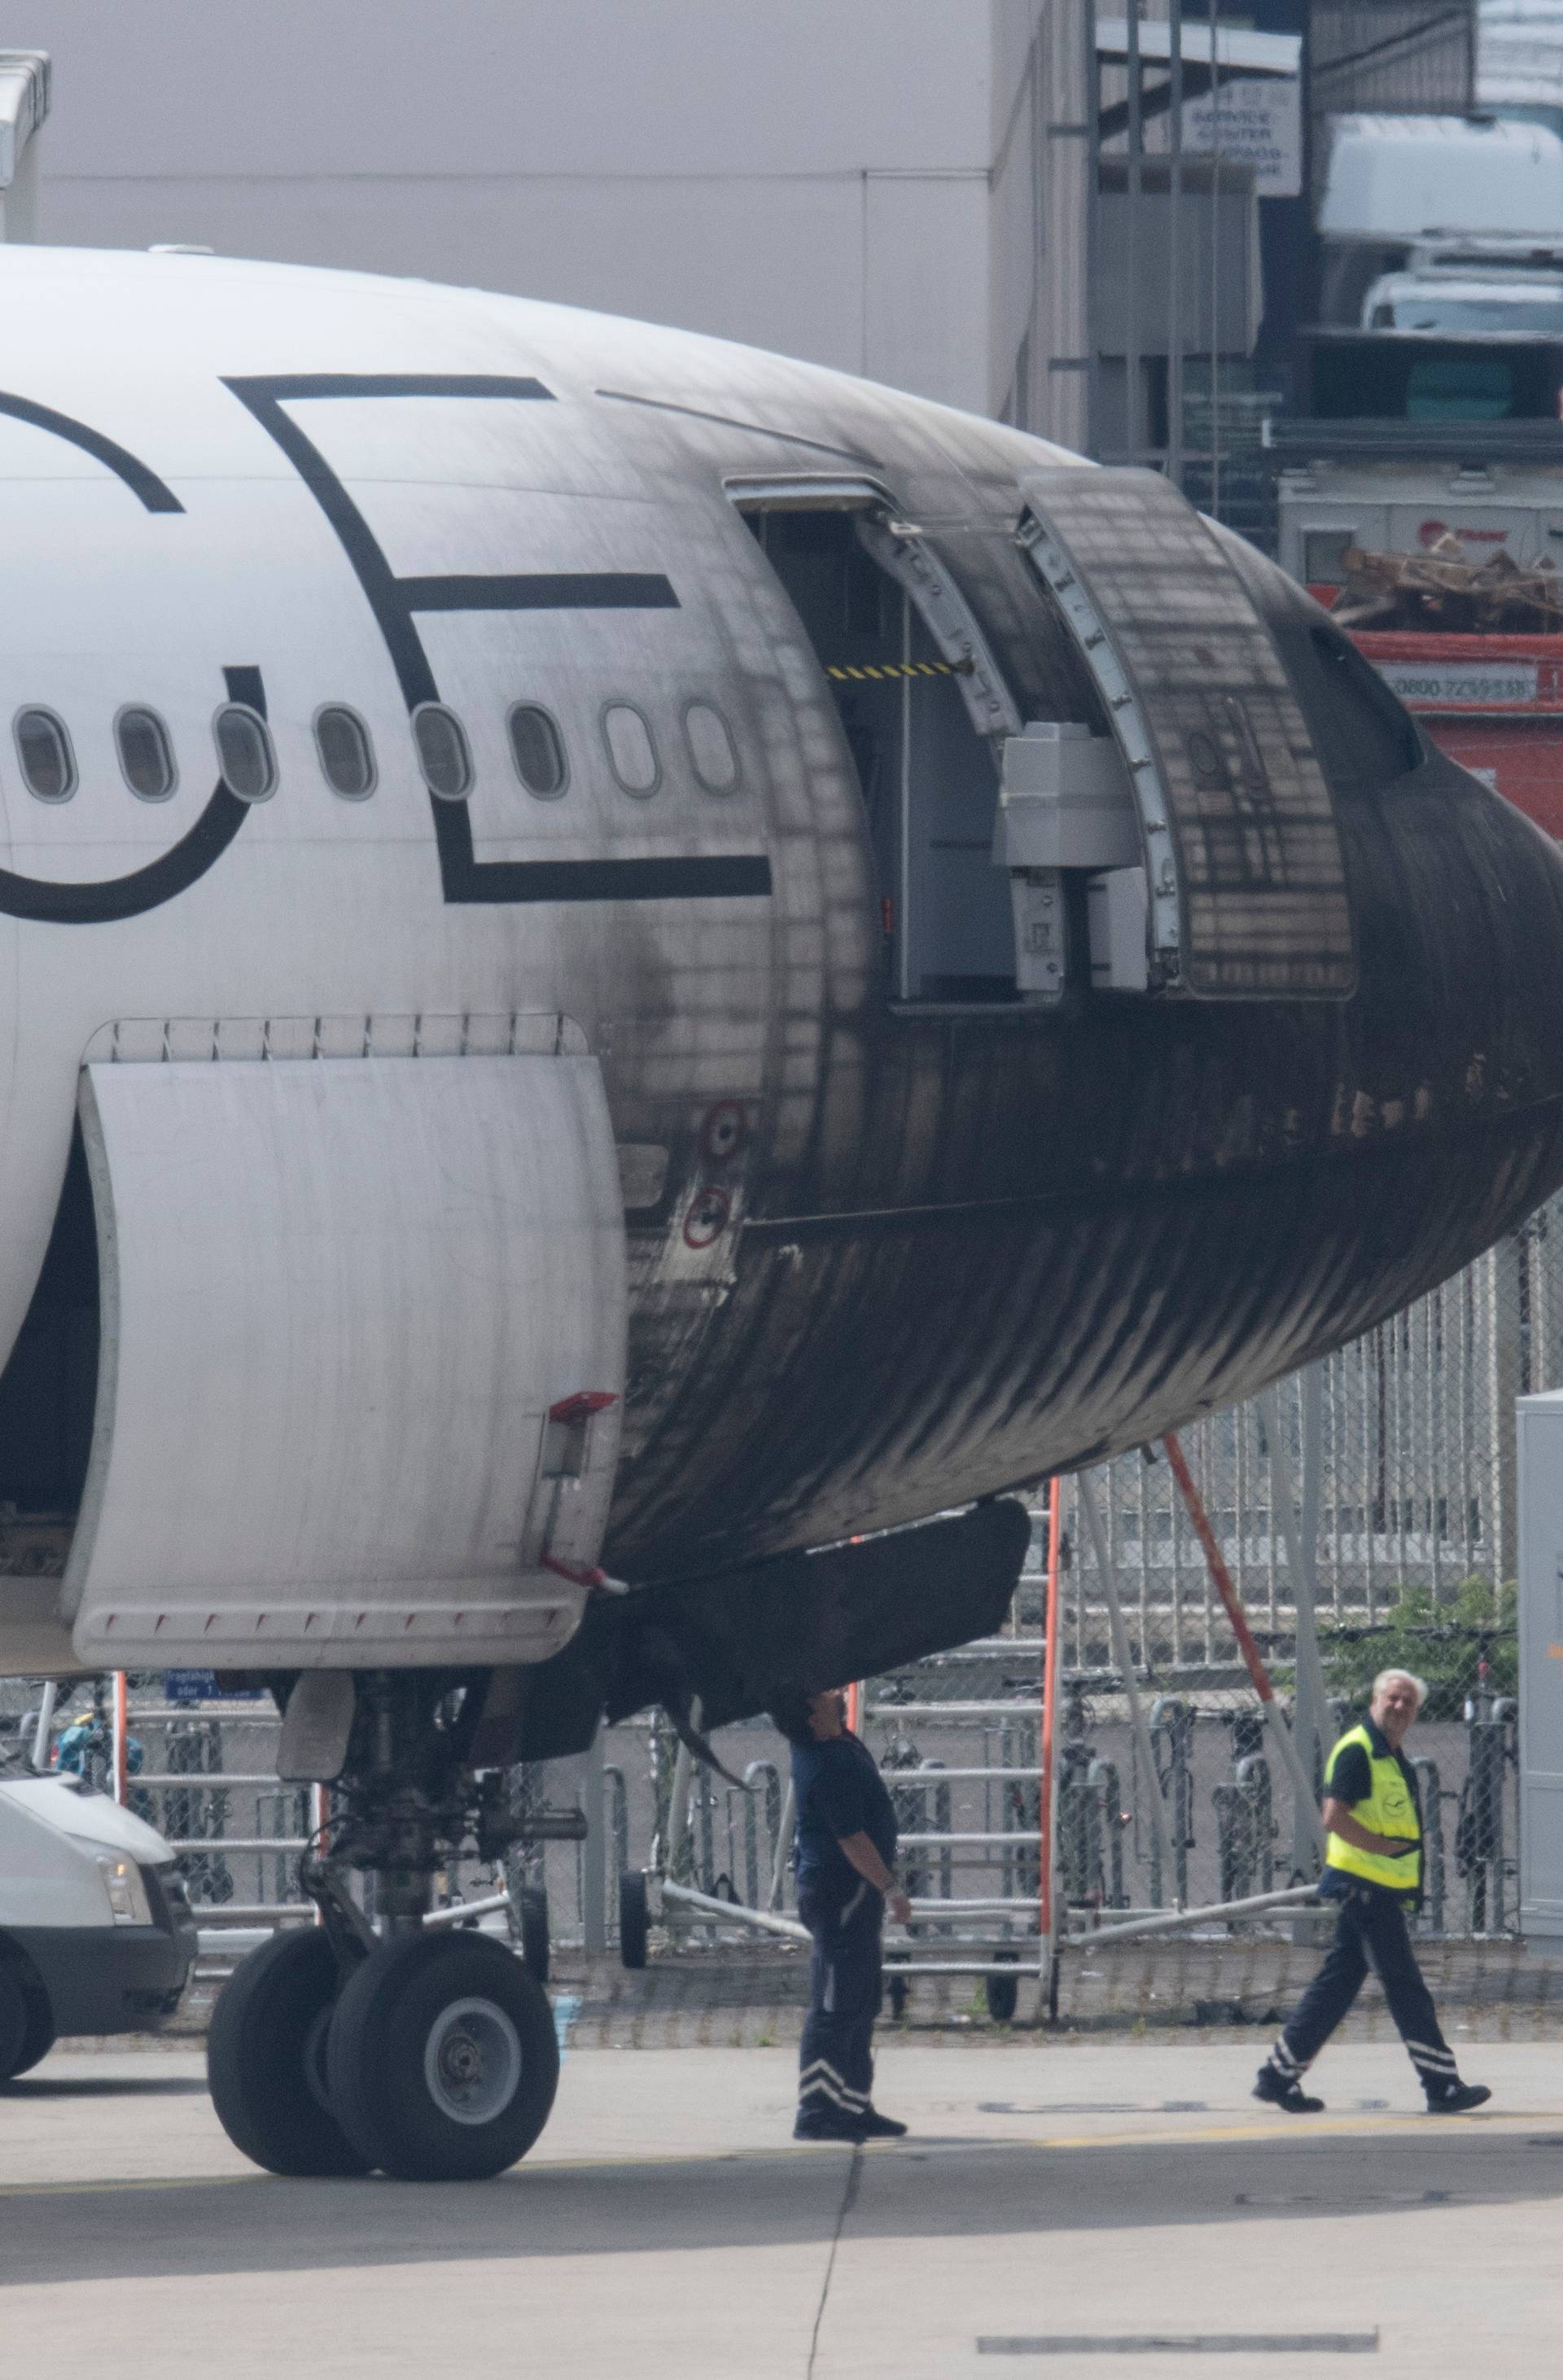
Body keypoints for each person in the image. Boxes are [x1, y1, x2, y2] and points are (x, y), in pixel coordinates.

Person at [1254, 1668, 1491, 2116]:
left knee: (1336, 1988)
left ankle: (1277, 2077)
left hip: (1375, 1891)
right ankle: (1441, 2085)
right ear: (1374, 1702)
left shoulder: (1391, 1755)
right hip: (1363, 1891)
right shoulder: (1359, 1752)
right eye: (1392, 1699)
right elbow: (1333, 1816)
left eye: (1408, 1703)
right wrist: (1382, 1848)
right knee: (1405, 1988)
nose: (1399, 1708)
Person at [772, 1684, 912, 2142]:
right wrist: (890, 1887)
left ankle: (853, 2104)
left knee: (861, 1998)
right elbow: (852, 1841)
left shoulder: (836, 1742)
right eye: (825, 1693)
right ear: (811, 1713)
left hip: (852, 1891)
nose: (835, 1693)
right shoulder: (826, 1764)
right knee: (834, 2003)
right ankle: (816, 2111)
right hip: (840, 1890)